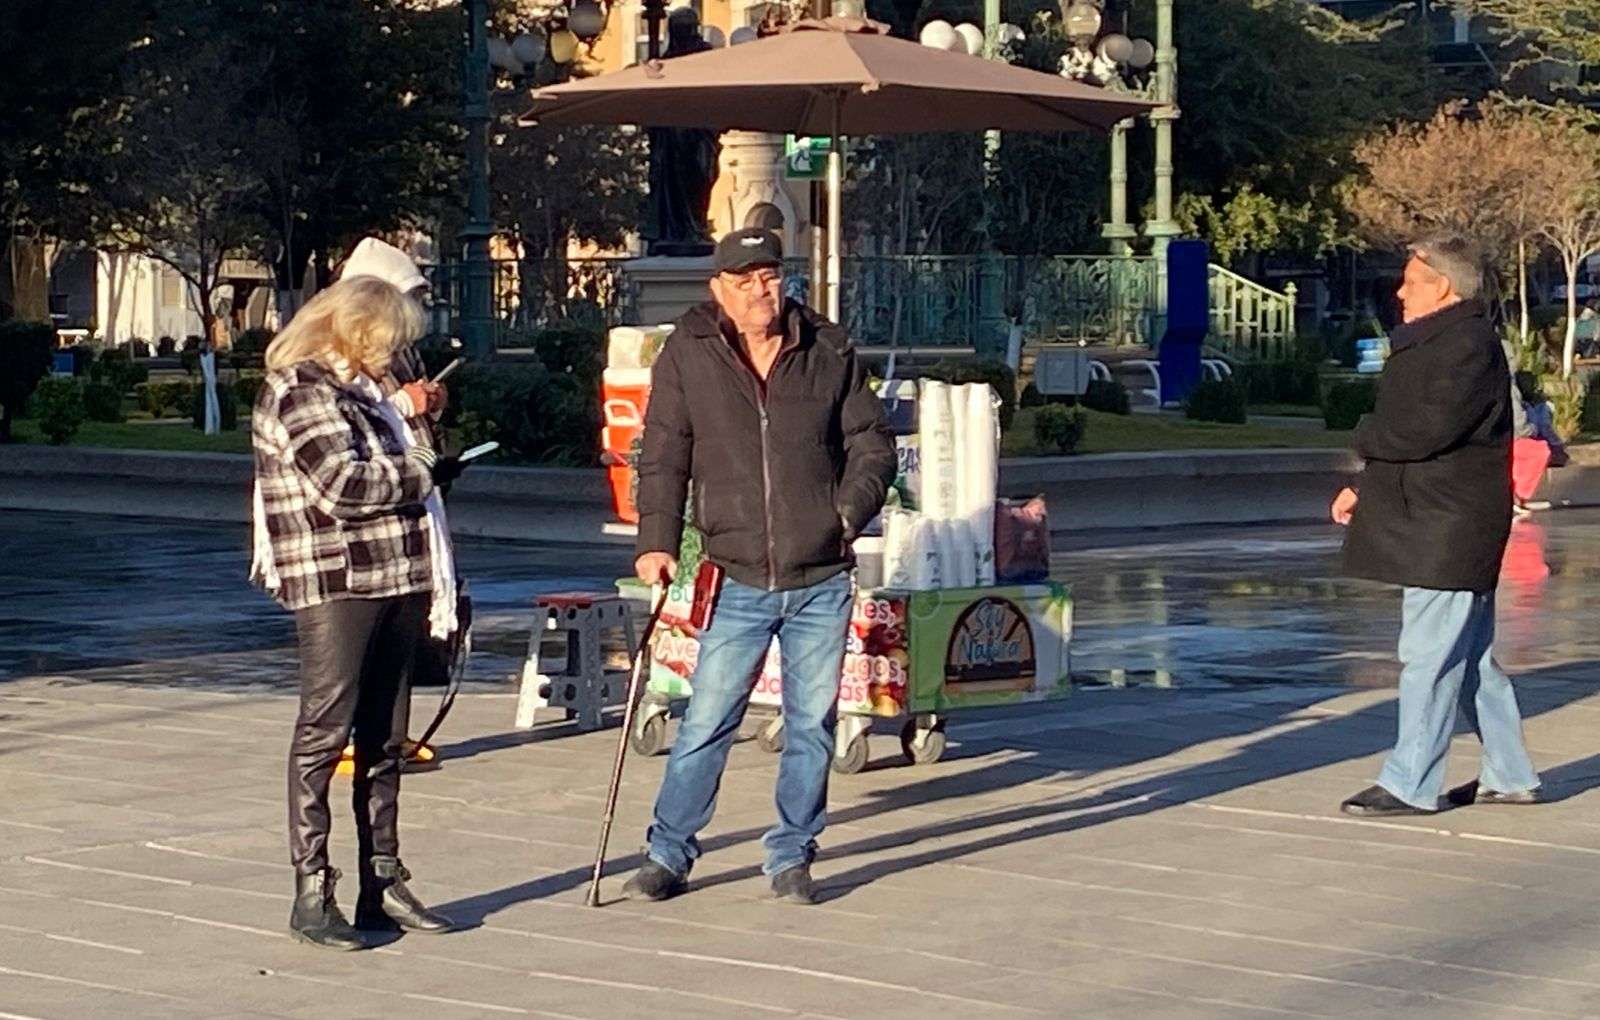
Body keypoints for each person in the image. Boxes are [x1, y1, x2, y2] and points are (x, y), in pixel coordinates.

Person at [624, 228, 896, 904]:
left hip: (820, 576)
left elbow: (872, 445)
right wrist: (656, 539)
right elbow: (663, 453)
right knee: (706, 721)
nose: (759, 291)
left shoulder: (827, 348)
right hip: (736, 571)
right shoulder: (688, 352)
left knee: (811, 727)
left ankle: (792, 855)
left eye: (769, 276)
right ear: (718, 288)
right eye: (743, 280)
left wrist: (844, 515)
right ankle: (668, 853)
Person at [251, 277, 463, 949]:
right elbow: (341, 485)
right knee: (325, 732)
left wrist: (425, 446)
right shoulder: (301, 388)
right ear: (356, 332)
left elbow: (398, 458)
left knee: (385, 738)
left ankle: (382, 881)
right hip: (337, 580)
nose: (396, 356)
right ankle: (312, 888)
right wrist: (424, 471)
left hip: (397, 574)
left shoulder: (365, 392)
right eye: (390, 342)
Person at [1331, 233, 1541, 817]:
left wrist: (1363, 436)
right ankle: (1510, 774)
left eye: (1410, 282)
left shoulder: (1465, 344)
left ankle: (1410, 783)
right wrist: (1364, 486)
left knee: (1429, 655)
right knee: (1468, 656)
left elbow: (1422, 430)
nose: (1399, 293)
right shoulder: (1445, 340)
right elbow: (1418, 434)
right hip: (1441, 520)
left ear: (1443, 286)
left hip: (1447, 526)